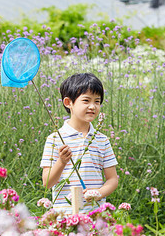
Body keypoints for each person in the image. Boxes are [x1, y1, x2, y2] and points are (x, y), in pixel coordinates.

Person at [41, 73, 118, 215]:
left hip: (96, 216)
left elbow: (112, 179)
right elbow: (47, 183)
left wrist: (98, 193)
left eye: (97, 101)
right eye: (86, 100)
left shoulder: (102, 140)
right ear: (68, 102)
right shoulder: (55, 139)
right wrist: (61, 162)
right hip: (64, 217)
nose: (92, 106)